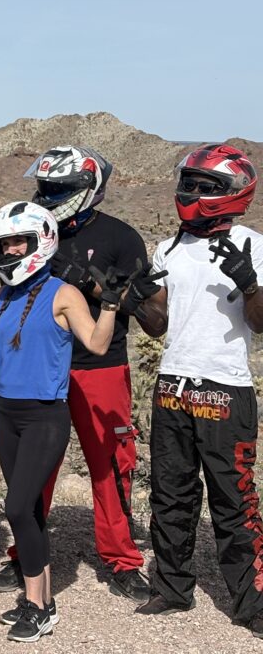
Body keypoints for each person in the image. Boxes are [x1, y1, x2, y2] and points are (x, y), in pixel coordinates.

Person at [0, 146, 151, 602]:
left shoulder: (121, 237)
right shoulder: (28, 233)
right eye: (44, 187)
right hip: (40, 370)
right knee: (33, 470)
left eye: (58, 189)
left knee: (111, 463)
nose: (48, 194)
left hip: (99, 365)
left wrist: (99, 287)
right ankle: (27, 557)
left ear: (86, 190)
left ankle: (121, 559)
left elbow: (150, 311)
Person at [130, 144, 263, 636]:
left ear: (232, 193)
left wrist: (249, 284)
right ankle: (171, 587)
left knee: (234, 499)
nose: (193, 193)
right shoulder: (168, 248)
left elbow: (262, 322)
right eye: (189, 183)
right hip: (173, 383)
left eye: (206, 187)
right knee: (170, 494)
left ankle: (252, 602)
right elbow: (157, 326)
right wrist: (131, 299)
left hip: (224, 387)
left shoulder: (254, 244)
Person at [0, 202, 118, 642]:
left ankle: (43, 607)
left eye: (19, 241)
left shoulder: (63, 293)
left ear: (41, 240)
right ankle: (35, 598)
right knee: (32, 509)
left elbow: (95, 344)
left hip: (44, 415)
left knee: (17, 507)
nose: (11, 249)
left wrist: (110, 304)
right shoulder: (2, 296)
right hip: (5, 413)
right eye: (4, 244)